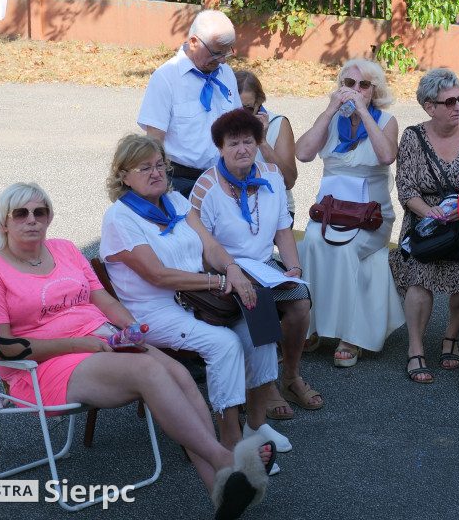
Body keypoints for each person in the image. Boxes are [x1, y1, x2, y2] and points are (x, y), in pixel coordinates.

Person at [0, 182, 274, 519]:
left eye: (40, 212)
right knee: (151, 372)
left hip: (103, 342)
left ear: (49, 217)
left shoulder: (66, 249)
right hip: (42, 368)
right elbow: (4, 349)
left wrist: (129, 329)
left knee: (180, 376)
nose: (32, 220)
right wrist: (79, 344)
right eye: (20, 213)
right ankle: (225, 462)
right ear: (3, 223)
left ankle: (221, 498)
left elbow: (104, 301)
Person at [99, 134, 292, 463]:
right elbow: (157, 275)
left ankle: (255, 426)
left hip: (198, 299)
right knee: (225, 344)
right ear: (123, 176)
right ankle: (230, 441)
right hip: (155, 311)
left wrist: (230, 268)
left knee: (260, 321)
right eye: (144, 167)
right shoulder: (120, 219)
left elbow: (210, 245)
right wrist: (216, 281)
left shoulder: (174, 201)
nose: (156, 172)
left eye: (160, 164)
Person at [190, 108, 321, 418]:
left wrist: (294, 268)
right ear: (219, 148)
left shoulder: (273, 176)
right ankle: (267, 387)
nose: (242, 149)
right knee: (259, 307)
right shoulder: (206, 187)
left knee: (301, 303)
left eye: (248, 141)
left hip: (264, 267)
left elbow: (282, 229)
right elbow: (202, 248)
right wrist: (232, 270)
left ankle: (290, 375)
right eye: (233, 143)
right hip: (223, 272)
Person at [295, 59, 404, 367]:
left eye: (363, 85)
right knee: (313, 241)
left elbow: (385, 155)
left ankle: (349, 334)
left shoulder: (385, 121)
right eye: (349, 84)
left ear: (374, 91)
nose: (355, 91)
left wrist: (363, 113)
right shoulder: (331, 119)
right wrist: (331, 110)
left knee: (346, 249)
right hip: (331, 212)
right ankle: (312, 325)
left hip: (371, 215)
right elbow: (302, 154)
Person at [388, 69, 459, 383]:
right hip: (426, 222)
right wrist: (431, 212)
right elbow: (406, 190)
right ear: (429, 107)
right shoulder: (413, 137)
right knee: (420, 277)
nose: (457, 106)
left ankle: (451, 336)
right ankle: (415, 349)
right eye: (449, 102)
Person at [138, 9, 241, 196]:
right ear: (194, 42)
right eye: (217, 53)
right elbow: (154, 141)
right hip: (179, 183)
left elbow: (237, 128)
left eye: (227, 53)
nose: (223, 61)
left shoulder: (226, 75)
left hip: (223, 179)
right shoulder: (165, 78)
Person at [235, 70, 298, 226]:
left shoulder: (278, 123)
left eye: (247, 108)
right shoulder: (221, 125)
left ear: (259, 103)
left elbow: (289, 181)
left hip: (274, 206)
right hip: (233, 203)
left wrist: (262, 141)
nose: (241, 115)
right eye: (235, 107)